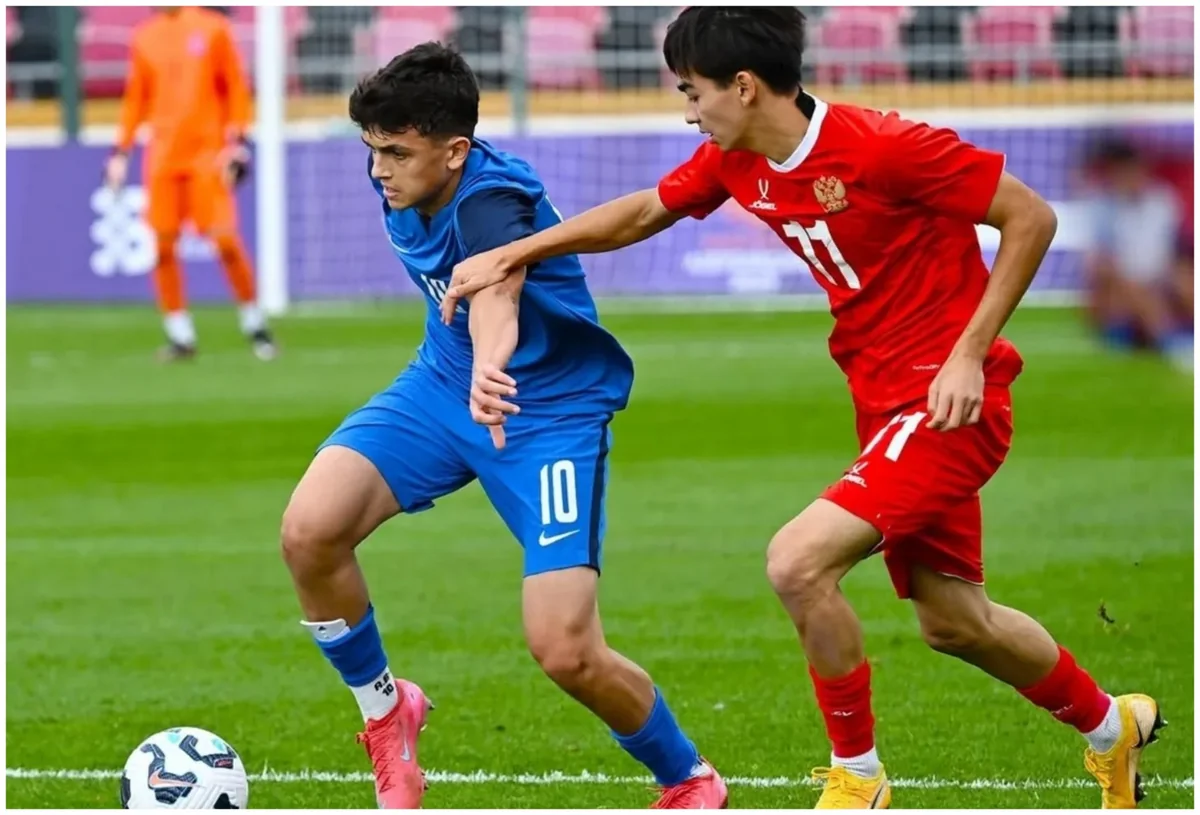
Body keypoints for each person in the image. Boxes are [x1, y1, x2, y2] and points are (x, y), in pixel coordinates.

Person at [441, 8, 1163, 810]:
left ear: (744, 86)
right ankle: (1114, 727)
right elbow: (646, 212)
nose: (689, 110)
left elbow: (1031, 216)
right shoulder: (737, 158)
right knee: (956, 620)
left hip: (950, 403)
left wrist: (968, 352)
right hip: (883, 405)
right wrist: (514, 252)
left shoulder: (884, 146)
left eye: (693, 91)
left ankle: (859, 775)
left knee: (797, 561)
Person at [279, 43, 727, 810]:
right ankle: (387, 713)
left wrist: (493, 363)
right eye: (372, 150)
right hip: (442, 384)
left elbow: (497, 286)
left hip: (546, 411)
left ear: (455, 151)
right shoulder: (401, 173)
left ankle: (688, 777)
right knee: (309, 531)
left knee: (564, 647)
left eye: (396, 153)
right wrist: (474, 370)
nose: (380, 170)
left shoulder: (491, 199)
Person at [105, 6, 276, 362]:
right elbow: (136, 98)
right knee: (163, 246)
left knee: (225, 241)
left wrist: (237, 140)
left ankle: (255, 323)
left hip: (207, 155)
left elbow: (234, 85)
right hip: (163, 158)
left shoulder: (212, 28)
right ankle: (180, 335)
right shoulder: (144, 37)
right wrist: (121, 151)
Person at [1082, 139, 1193, 371]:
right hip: (1121, 288)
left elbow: (1177, 248)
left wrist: (1171, 273)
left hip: (1160, 277)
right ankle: (1173, 347)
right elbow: (1098, 264)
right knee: (1135, 288)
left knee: (1186, 280)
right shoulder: (1103, 207)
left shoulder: (1162, 199)